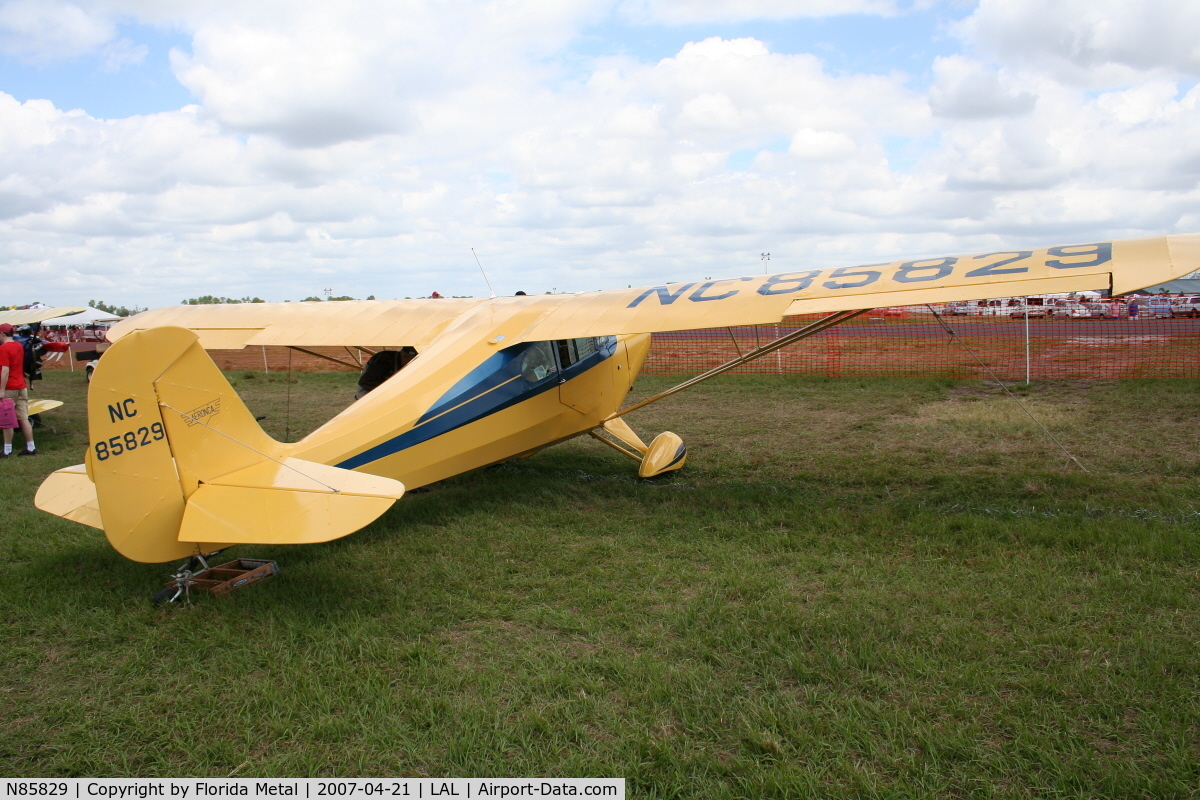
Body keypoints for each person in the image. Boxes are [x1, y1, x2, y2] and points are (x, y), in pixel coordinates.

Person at [0, 323, 36, 456]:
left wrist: (1, 390)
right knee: (23, 417)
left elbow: (5, 370)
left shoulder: (3, 348)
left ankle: (7, 449)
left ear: (2, 334)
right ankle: (31, 447)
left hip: (10, 386)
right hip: (21, 385)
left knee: (6, 418)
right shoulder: (18, 346)